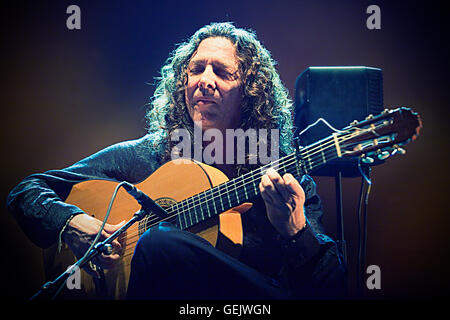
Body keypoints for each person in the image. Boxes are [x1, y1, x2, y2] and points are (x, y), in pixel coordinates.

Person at [7, 22, 346, 300]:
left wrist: (294, 230)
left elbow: (330, 289)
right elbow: (27, 190)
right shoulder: (149, 155)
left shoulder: (284, 175)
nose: (204, 81)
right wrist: (73, 224)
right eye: (196, 69)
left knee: (159, 242)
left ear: (250, 93)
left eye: (223, 73)